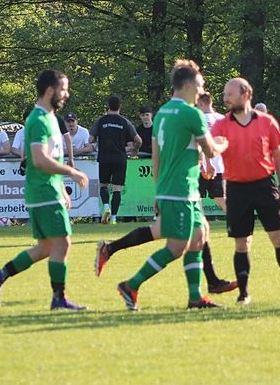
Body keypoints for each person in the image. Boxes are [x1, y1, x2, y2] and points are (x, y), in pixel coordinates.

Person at [115, 60, 230, 311]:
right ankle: (131, 285)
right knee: (177, 247)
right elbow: (211, 150)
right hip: (181, 189)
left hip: (176, 188)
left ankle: (195, 297)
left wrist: (159, 190)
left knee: (199, 235)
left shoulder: (163, 113)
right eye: (200, 85)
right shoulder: (192, 113)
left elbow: (156, 157)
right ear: (188, 85)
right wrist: (224, 142)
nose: (202, 90)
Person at [0, 70, 90, 311]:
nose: (66, 94)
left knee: (46, 248)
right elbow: (39, 159)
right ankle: (59, 299)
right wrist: (71, 172)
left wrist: (61, 187)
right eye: (63, 89)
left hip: (48, 190)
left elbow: (52, 156)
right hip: (43, 191)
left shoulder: (50, 118)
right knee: (62, 244)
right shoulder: (39, 119)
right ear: (50, 90)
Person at [210, 78, 280, 304]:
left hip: (264, 186)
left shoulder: (267, 122)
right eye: (224, 94)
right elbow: (212, 147)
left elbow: (278, 155)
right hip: (236, 189)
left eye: (230, 94)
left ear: (246, 95)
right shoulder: (221, 125)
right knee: (242, 243)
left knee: (279, 238)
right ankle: (243, 293)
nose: (225, 98)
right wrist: (212, 150)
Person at [89, 95, 141, 224]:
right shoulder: (125, 122)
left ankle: (106, 206)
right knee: (117, 188)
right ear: (120, 107)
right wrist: (135, 150)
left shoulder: (100, 121)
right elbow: (139, 140)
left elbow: (90, 139)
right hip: (120, 158)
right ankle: (113, 218)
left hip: (104, 158)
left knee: (103, 185)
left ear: (108, 106)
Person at [197, 93, 227, 214]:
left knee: (196, 198)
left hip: (201, 166)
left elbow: (200, 143)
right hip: (219, 166)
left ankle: (198, 222)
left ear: (201, 103)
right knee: (221, 198)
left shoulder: (198, 118)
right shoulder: (222, 119)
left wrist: (202, 164)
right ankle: (237, 221)